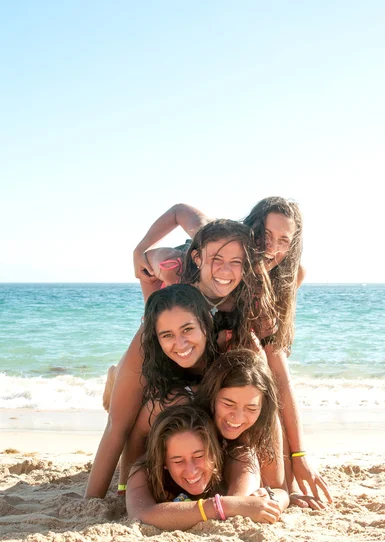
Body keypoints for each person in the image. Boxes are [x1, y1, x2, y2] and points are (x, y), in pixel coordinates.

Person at [132, 199, 332, 507]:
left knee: (262, 381)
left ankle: (277, 481)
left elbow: (280, 379)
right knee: (146, 386)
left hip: (222, 355)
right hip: (181, 343)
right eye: (264, 235)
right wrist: (141, 250)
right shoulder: (211, 250)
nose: (271, 247)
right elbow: (179, 210)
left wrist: (296, 464)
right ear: (249, 231)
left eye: (283, 240)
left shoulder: (284, 276)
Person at [86, 217, 270, 499]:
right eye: (217, 259)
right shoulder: (158, 322)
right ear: (196, 258)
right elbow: (120, 428)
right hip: (155, 376)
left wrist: (282, 485)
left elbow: (267, 401)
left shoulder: (232, 333)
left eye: (235, 261)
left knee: (226, 405)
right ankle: (117, 376)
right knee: (153, 403)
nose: (225, 269)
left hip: (194, 387)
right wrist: (110, 494)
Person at [130, 349, 289, 513]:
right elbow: (137, 435)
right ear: (212, 396)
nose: (237, 418)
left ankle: (236, 509)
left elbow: (280, 490)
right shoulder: (181, 405)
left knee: (245, 455)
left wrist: (269, 498)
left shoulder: (260, 424)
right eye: (228, 404)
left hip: (223, 471)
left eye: (251, 408)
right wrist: (124, 485)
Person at [126, 405, 284, 530]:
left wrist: (269, 499)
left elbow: (277, 495)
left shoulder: (238, 457)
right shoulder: (144, 470)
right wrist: (222, 506)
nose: (191, 470)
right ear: (164, 462)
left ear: (216, 451)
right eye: (178, 461)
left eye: (199, 456)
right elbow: (141, 514)